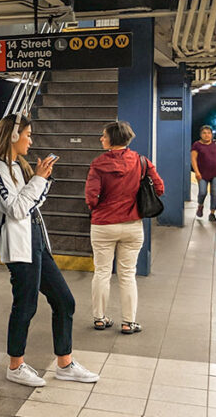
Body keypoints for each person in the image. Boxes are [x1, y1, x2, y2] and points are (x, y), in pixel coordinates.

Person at [0, 113, 99, 388]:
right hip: (19, 246)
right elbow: (15, 209)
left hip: (38, 240)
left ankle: (65, 363)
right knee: (25, 305)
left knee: (65, 301)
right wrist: (38, 180)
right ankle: (15, 366)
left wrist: (41, 178)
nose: (30, 140)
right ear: (13, 136)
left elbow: (31, 203)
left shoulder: (18, 166)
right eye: (27, 134)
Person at [85, 121, 165, 335]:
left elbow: (91, 198)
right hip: (132, 225)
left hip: (103, 226)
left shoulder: (98, 164)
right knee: (128, 275)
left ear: (113, 138)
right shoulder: (141, 161)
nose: (101, 139)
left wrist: (102, 205)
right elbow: (159, 187)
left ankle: (100, 319)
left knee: (102, 272)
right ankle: (129, 322)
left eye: (104, 136)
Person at [191, 125, 216, 222]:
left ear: (212, 134)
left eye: (209, 133)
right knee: (202, 192)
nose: (207, 135)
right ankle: (200, 205)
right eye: (204, 133)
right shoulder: (197, 145)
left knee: (214, 192)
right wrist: (196, 172)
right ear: (200, 135)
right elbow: (193, 159)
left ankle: (212, 213)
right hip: (202, 174)